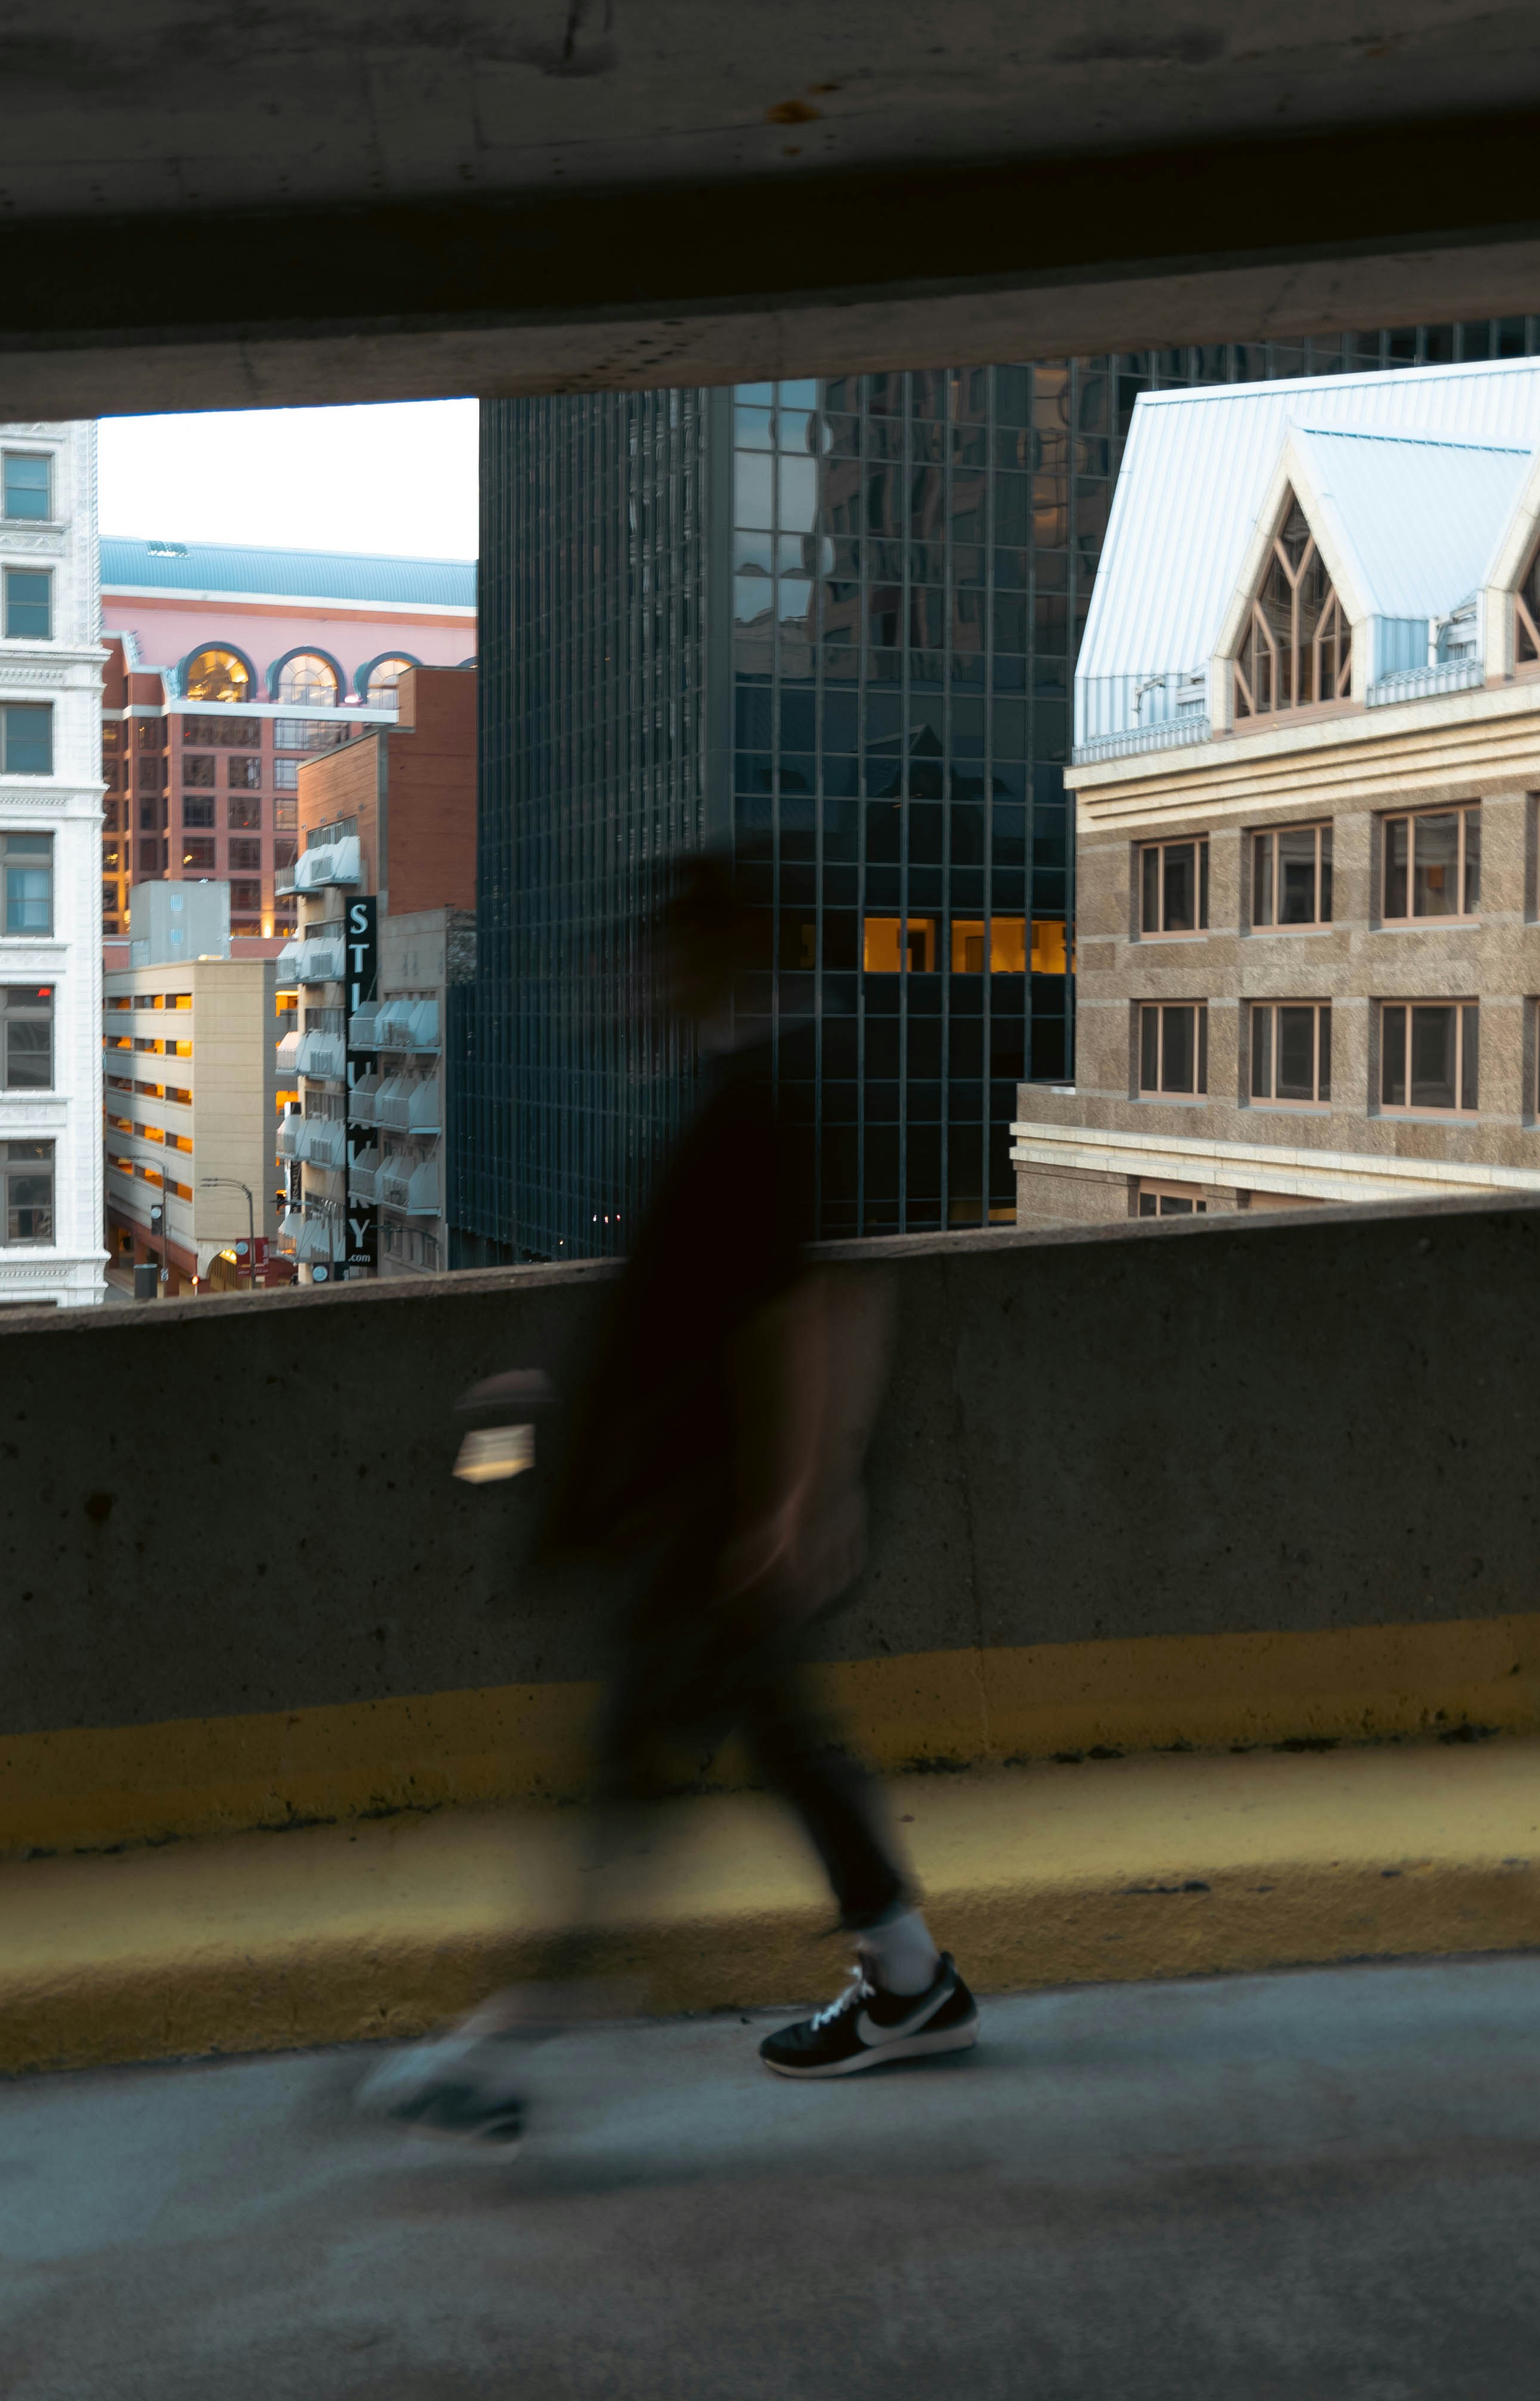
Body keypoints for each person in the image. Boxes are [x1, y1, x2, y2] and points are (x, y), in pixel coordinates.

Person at [366, 857, 973, 2142]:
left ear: (709, 955)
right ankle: (912, 1981)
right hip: (708, 1497)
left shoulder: (762, 1094)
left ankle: (501, 2046)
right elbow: (707, 1294)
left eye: (657, 948)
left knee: (632, 1774)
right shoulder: (737, 1083)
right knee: (774, 1732)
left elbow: (815, 1304)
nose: (634, 972)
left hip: (720, 1508)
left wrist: (799, 1502)